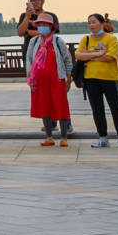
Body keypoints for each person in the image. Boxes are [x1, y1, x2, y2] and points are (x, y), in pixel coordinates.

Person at [76, 14, 118, 147]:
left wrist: (89, 56)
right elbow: (78, 55)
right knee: (97, 109)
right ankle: (102, 136)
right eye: (89, 23)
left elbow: (110, 56)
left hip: (109, 78)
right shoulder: (85, 39)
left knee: (116, 108)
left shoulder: (111, 38)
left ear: (102, 23)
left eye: (94, 22)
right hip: (90, 78)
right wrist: (98, 53)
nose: (91, 25)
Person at [26, 12, 75, 145]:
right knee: (44, 107)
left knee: (61, 107)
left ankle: (64, 137)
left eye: (45, 24)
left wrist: (69, 79)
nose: (42, 26)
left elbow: (67, 60)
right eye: (40, 24)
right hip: (40, 81)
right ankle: (49, 137)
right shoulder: (34, 41)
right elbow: (29, 60)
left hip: (57, 79)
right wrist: (31, 79)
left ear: (51, 26)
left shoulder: (58, 41)